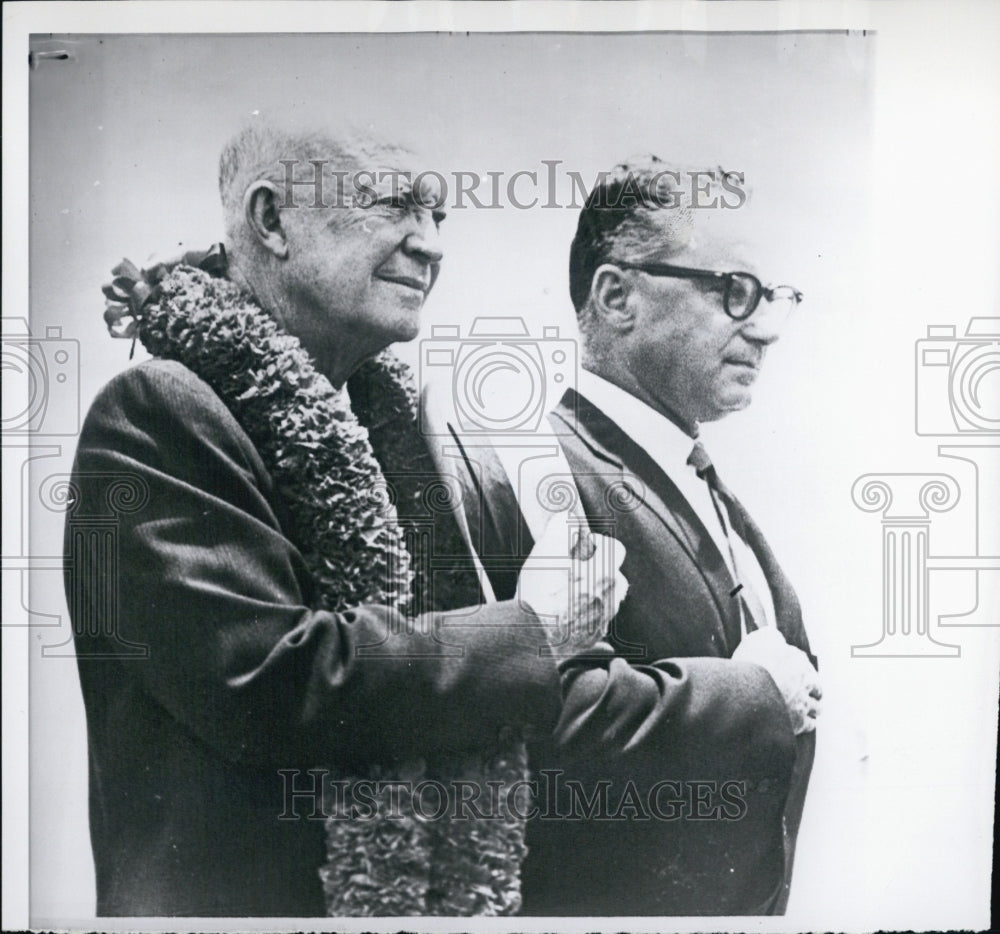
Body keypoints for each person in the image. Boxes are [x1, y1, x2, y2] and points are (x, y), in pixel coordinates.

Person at [65, 121, 626, 917]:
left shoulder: (393, 433)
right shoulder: (160, 412)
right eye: (396, 205)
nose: (430, 244)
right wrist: (533, 631)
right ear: (271, 221)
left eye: (439, 217)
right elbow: (271, 686)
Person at [442, 157, 821, 915]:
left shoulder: (704, 484)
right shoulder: (526, 468)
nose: (767, 328)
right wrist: (753, 697)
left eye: (776, 297)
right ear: (617, 295)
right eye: (734, 292)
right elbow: (524, 733)